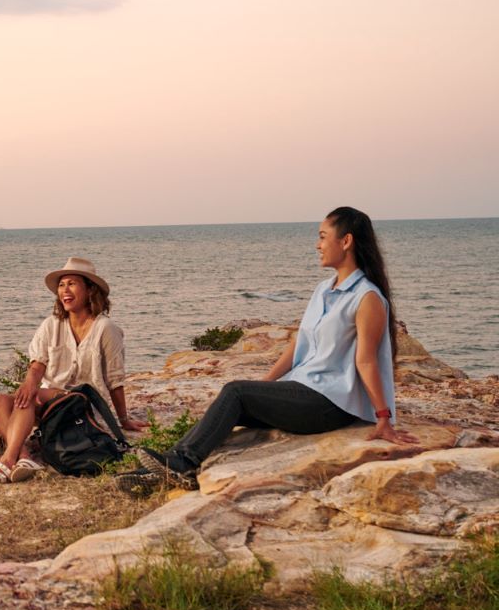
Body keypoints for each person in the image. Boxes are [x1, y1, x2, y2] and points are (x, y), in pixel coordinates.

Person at [117, 206, 416, 497]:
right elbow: (299, 343)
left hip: (329, 404)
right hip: (303, 390)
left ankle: (181, 463)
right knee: (235, 400)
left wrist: (383, 417)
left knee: (236, 392)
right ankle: (166, 468)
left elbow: (366, 361)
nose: (317, 244)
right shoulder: (323, 290)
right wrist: (265, 385)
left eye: (323, 236)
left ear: (346, 241)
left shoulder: (367, 298)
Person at [0, 257, 144, 485]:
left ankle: (6, 460)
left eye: (72, 283)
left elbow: (114, 379)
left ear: (90, 290)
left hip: (84, 405)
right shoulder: (51, 325)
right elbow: (37, 365)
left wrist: (123, 419)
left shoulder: (106, 328)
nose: (65, 290)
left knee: (31, 394)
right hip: (52, 403)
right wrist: (28, 382)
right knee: (0, 401)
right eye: (62, 285)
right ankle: (24, 456)